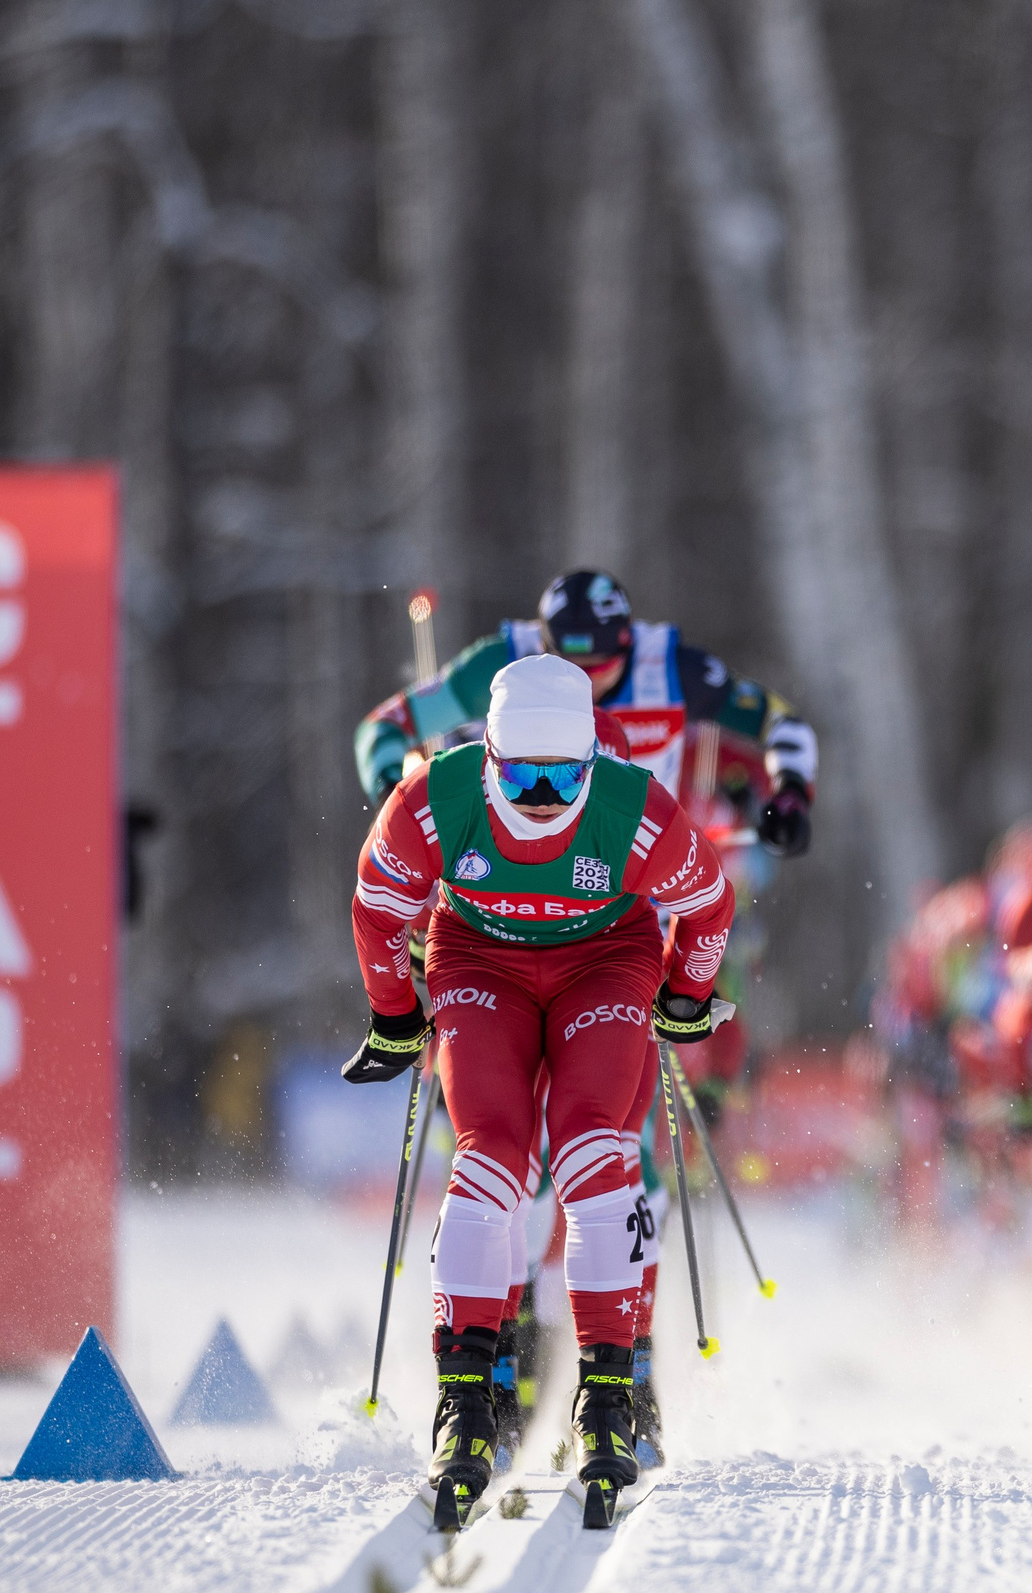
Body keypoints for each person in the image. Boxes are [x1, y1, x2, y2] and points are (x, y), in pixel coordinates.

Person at [343, 654, 736, 1528]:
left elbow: (709, 905)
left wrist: (685, 995)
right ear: (488, 756)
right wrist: (396, 1013)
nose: (547, 795)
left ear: (594, 758)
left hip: (605, 961)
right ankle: (468, 1400)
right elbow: (376, 907)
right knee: (491, 1158)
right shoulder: (430, 800)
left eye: (567, 775)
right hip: (480, 960)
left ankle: (607, 1397)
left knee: (598, 1152)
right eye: (524, 774)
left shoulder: (636, 811)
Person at [354, 567, 817, 851]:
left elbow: (781, 723)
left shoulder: (674, 670)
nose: (582, 683)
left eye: (600, 669)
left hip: (638, 895)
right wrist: (389, 792)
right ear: (543, 643)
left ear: (628, 645)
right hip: (518, 893)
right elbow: (386, 726)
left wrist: (790, 793)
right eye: (566, 665)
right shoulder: (501, 663)